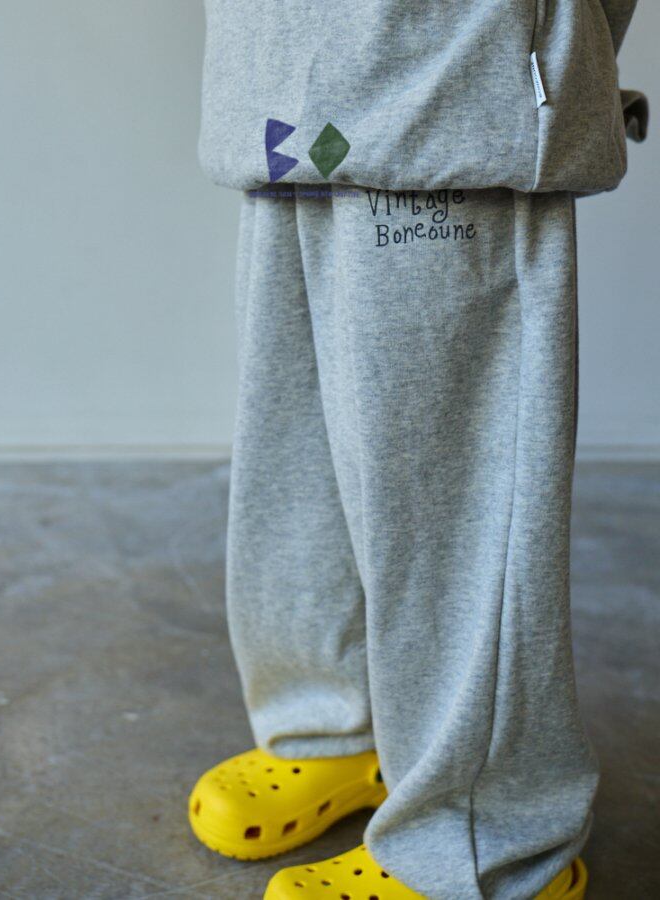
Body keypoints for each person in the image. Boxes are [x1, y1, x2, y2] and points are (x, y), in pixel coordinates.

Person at [188, 2, 646, 898]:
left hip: (453, 82)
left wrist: (558, 53)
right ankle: (339, 724)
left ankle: (480, 838)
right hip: (278, 83)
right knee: (303, 457)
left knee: (449, 491)